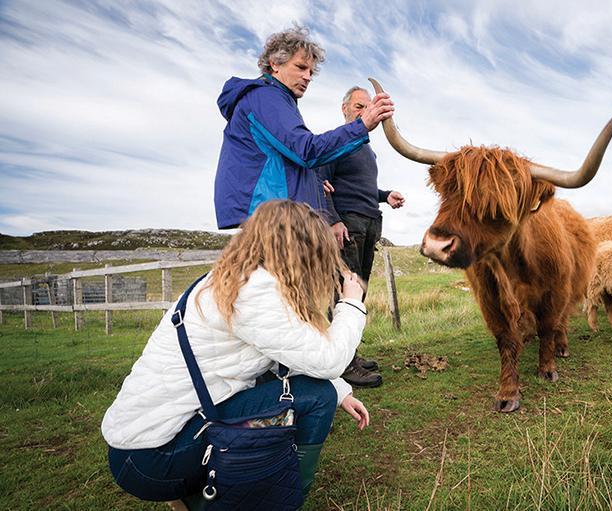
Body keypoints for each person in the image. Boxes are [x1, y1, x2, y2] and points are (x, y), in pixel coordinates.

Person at [102, 200, 370, 508]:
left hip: (144, 447)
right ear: (299, 251)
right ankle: (281, 498)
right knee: (317, 396)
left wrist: (342, 391)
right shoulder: (256, 292)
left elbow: (284, 355)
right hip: (155, 457)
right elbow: (329, 360)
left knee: (318, 390)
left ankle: (200, 495)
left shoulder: (233, 281)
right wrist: (351, 303)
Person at [213, 25, 394, 229]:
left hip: (279, 214)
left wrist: (313, 184)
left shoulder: (279, 101)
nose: (308, 77)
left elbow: (288, 158)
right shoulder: (266, 97)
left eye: (311, 71)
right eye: (300, 67)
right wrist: (361, 126)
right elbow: (306, 150)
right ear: (275, 64)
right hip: (270, 217)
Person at [318, 86, 406, 388]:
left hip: (369, 223)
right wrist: (333, 221)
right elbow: (320, 181)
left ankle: (349, 353)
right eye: (358, 106)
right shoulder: (336, 142)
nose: (364, 111)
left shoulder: (366, 148)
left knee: (359, 292)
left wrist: (385, 195)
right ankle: (343, 363)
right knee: (346, 292)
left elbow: (361, 187)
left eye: (367, 106)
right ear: (344, 109)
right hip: (348, 225)